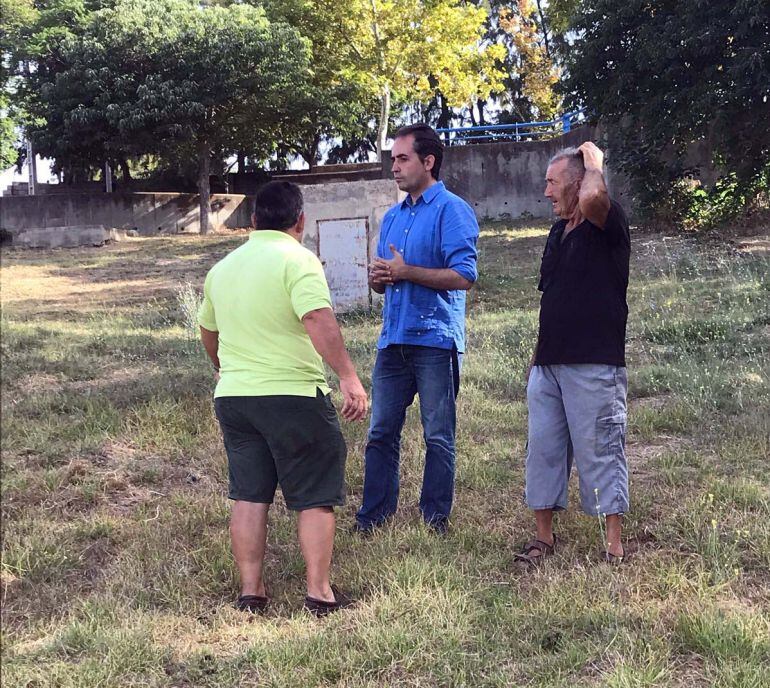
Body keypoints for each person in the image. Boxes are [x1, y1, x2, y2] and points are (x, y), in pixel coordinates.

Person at [198, 180, 368, 616]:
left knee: (249, 493)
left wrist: (224, 367)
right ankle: (319, 594)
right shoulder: (298, 259)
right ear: (301, 221)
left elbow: (208, 331)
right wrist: (348, 376)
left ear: (254, 220)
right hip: (292, 394)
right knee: (314, 493)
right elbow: (316, 316)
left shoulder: (222, 269)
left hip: (235, 398)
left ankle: (251, 592)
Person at [354, 123, 479, 536]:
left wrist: (407, 271)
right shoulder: (392, 217)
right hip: (393, 340)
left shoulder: (452, 210)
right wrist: (379, 278)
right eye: (393, 159)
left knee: (438, 435)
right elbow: (382, 280)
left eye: (403, 158)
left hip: (435, 341)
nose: (394, 167)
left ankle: (434, 519)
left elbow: (464, 275)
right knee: (380, 432)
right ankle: (374, 517)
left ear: (428, 161)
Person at [516, 141, 631, 566]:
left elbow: (595, 196)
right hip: (549, 365)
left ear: (579, 183)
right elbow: (551, 300)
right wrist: (536, 362)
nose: (546, 192)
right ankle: (543, 538)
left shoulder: (608, 223)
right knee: (543, 451)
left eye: (552, 182)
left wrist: (596, 164)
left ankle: (613, 545)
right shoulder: (557, 232)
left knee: (600, 448)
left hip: (594, 363)